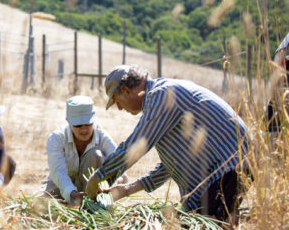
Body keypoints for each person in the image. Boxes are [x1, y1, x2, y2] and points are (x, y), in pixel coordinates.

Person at [85, 65, 250, 223]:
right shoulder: (158, 99)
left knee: (205, 223)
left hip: (230, 163)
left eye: (117, 100)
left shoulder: (161, 96)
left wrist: (98, 177)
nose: (119, 108)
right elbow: (172, 164)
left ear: (127, 90)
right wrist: (128, 189)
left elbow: (135, 147)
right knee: (200, 221)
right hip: (227, 166)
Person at [43, 95, 127, 206]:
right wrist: (72, 193)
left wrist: (112, 185)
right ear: (68, 121)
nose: (84, 129)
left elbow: (120, 170)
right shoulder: (56, 138)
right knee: (38, 205)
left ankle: (92, 203)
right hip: (61, 185)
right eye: (78, 125)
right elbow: (58, 172)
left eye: (88, 123)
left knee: (95, 155)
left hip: (92, 190)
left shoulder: (102, 137)